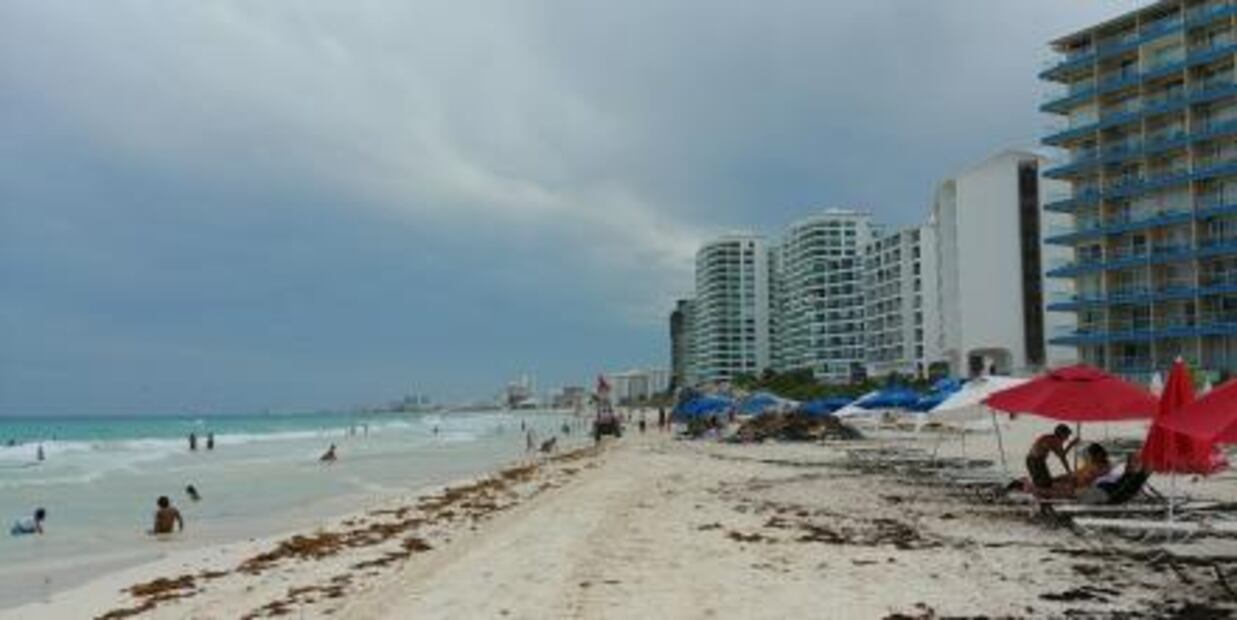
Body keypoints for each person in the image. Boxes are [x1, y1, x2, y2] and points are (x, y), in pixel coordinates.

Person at [1025, 424, 1077, 490]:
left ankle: (1036, 489)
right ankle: (1034, 489)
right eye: (1066, 435)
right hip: (1035, 461)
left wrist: (1068, 471)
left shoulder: (1053, 439)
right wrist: (1071, 445)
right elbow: (1062, 456)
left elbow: (1061, 455)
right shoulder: (1053, 440)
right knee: (1044, 484)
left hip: (1035, 460)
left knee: (1044, 482)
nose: (1067, 438)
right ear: (1061, 434)